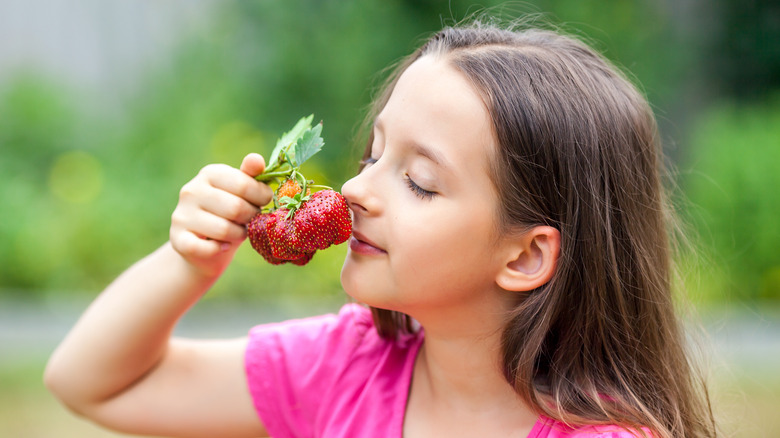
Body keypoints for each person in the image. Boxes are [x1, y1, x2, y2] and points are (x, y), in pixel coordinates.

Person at [44, 18, 717, 438]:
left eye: (419, 181)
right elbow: (89, 383)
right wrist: (188, 262)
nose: (357, 190)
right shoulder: (347, 368)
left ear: (524, 256)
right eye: (372, 153)